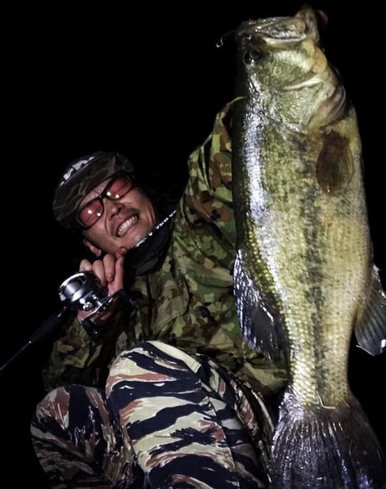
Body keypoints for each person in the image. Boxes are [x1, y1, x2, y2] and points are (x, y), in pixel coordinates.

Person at [31, 99, 287, 489]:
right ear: (91, 246)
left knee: (136, 366)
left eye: (115, 189)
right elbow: (59, 384)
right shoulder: (115, 308)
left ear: (141, 190)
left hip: (264, 429)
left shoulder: (195, 237)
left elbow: (220, 168)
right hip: (165, 459)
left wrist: (268, 83)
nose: (112, 210)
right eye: (91, 213)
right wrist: (93, 326)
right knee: (56, 413)